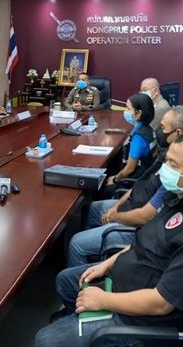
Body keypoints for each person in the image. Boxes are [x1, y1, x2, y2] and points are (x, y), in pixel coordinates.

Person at [34, 137, 183, 347]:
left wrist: (102, 300)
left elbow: (160, 304)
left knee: (45, 340)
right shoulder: (175, 199)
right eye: (166, 161)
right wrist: (107, 263)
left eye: (173, 165)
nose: (165, 169)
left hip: (137, 319)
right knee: (66, 280)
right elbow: (141, 242)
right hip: (123, 280)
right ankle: (77, 322)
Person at [68, 107, 183, 268]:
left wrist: (115, 216)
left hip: (137, 226)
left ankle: (89, 270)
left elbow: (144, 217)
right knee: (89, 210)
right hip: (132, 205)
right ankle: (95, 258)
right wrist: (116, 205)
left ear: (178, 133)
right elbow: (140, 183)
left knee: (77, 244)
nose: (158, 130)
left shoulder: (174, 181)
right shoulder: (165, 156)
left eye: (163, 127)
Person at [106, 92, 156, 186]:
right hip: (145, 174)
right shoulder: (147, 129)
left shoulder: (138, 138)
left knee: (102, 187)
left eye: (128, 109)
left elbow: (129, 169)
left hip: (135, 181)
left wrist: (115, 180)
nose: (125, 111)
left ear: (138, 113)